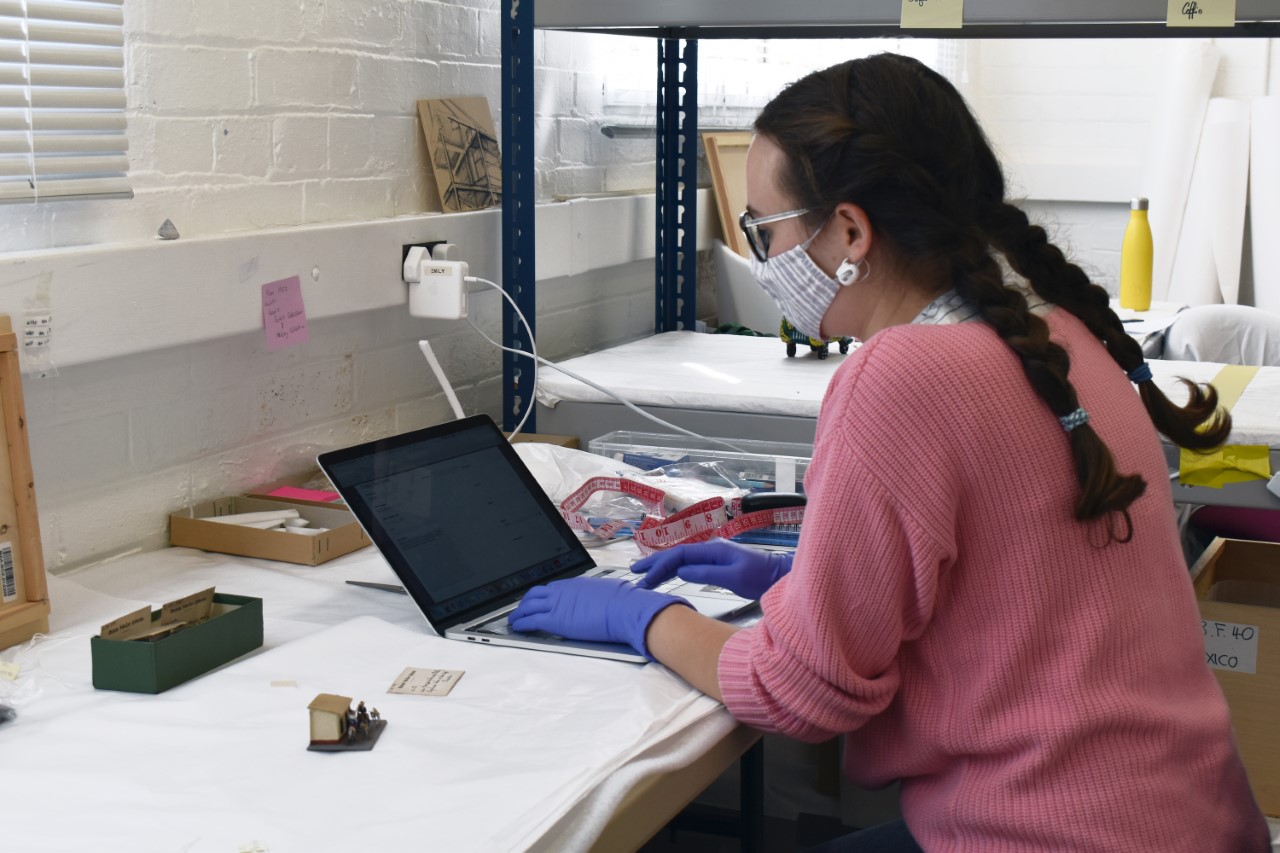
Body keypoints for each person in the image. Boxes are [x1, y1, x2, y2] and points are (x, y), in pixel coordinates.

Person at [510, 53, 1271, 851]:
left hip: (1050, 829)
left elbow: (797, 692)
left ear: (849, 232)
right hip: (1192, 819)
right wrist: (800, 574)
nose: (762, 259)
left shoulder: (902, 374)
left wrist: (642, 616)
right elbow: (1017, 584)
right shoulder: (1060, 336)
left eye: (763, 232)